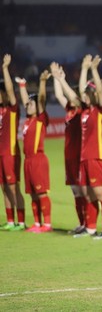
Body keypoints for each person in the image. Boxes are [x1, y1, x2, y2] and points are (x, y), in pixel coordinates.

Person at [73, 55, 102, 239]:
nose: (84, 96)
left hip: (96, 157)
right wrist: (84, 68)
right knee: (88, 195)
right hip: (84, 158)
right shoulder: (85, 111)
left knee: (100, 193)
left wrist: (94, 70)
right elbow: (82, 89)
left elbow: (98, 92)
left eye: (87, 94)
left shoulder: (100, 110)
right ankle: (90, 228)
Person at [50, 62, 87, 232]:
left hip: (80, 155)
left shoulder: (81, 111)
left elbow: (71, 97)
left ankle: (89, 224)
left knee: (83, 191)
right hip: (69, 156)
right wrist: (57, 78)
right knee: (75, 191)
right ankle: (82, 223)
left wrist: (61, 79)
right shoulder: (70, 111)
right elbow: (59, 95)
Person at [17, 70, 52, 232]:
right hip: (28, 161)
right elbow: (26, 101)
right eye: (28, 104)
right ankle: (37, 223)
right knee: (32, 193)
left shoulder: (40, 119)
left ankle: (47, 224)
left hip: (38, 159)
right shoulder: (29, 120)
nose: (28, 105)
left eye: (31, 104)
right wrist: (22, 86)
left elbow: (41, 99)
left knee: (41, 193)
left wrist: (42, 82)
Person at [0, 54, 26, 231]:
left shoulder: (12, 109)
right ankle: (10, 221)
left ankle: (22, 221)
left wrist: (5, 69)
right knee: (4, 187)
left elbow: (10, 90)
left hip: (10, 152)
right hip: (0, 154)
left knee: (13, 186)